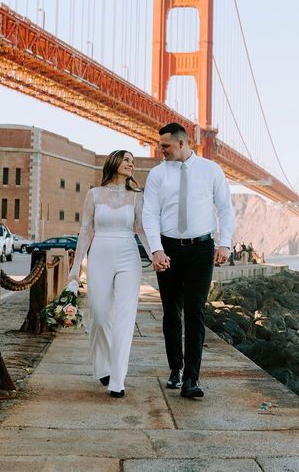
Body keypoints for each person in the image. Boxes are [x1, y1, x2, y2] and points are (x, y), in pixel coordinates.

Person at [142, 123, 234, 399]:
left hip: (201, 249)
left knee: (195, 312)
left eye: (165, 146)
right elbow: (149, 213)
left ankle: (191, 380)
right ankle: (175, 369)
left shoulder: (211, 170)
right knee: (171, 312)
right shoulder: (157, 175)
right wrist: (156, 250)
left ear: (182, 144)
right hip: (168, 248)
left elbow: (226, 208)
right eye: (161, 146)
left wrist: (225, 243)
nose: (161, 151)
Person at [68, 150, 151, 398]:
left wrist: (156, 254)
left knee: (125, 315)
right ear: (114, 162)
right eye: (127, 159)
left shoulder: (137, 196)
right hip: (100, 253)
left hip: (128, 253)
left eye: (133, 162)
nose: (131, 164)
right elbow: (85, 231)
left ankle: (117, 379)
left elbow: (141, 229)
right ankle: (102, 366)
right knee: (101, 314)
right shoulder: (94, 194)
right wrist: (74, 271)